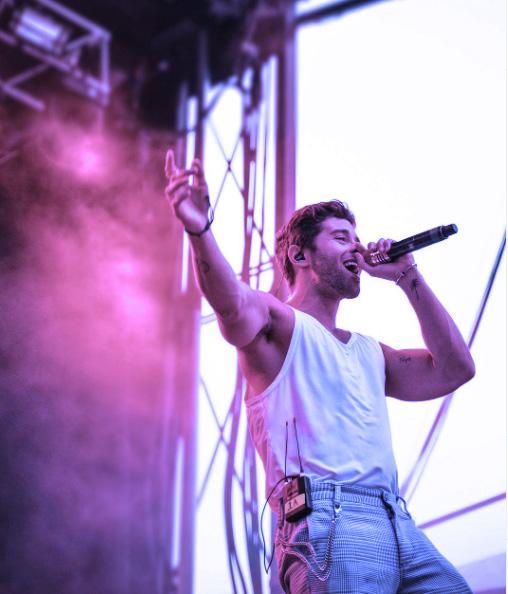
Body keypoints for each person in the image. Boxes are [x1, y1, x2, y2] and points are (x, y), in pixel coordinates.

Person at [164, 149, 475, 593]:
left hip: (397, 520)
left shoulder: (370, 351)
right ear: (300, 255)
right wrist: (199, 229)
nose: (358, 248)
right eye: (341, 237)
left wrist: (407, 275)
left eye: (357, 237)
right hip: (328, 521)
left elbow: (455, 369)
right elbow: (230, 302)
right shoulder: (279, 324)